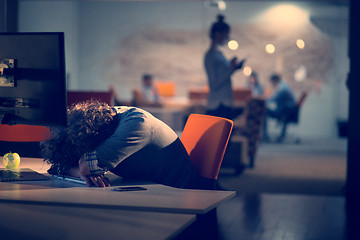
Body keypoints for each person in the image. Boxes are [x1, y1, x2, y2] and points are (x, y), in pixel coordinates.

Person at [41, 100, 214, 190]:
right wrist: (76, 169)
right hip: (148, 188)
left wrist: (81, 168)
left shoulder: (137, 124)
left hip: (179, 195)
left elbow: (86, 167)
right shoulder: (106, 118)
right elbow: (58, 167)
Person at [204, 14, 246, 120]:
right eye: (226, 34)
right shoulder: (210, 56)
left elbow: (225, 74)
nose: (227, 37)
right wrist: (230, 69)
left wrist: (233, 68)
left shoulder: (219, 54)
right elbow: (214, 84)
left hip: (224, 103)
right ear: (217, 34)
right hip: (218, 105)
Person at [263, 73, 297, 142]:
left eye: (271, 82)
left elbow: (273, 99)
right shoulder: (283, 86)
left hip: (285, 112)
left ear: (275, 80)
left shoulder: (282, 88)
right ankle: (265, 135)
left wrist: (263, 100)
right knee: (265, 110)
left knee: (264, 111)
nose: (271, 84)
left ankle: (265, 136)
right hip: (287, 111)